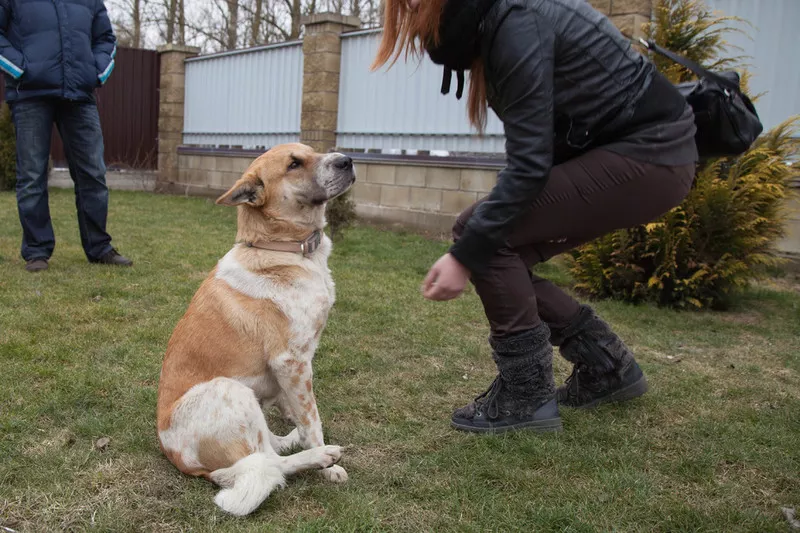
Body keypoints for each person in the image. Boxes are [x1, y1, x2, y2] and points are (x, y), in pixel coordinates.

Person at [372, 0, 698, 433]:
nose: (409, 10)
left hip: (650, 156)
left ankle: (526, 396)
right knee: (490, 240)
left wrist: (464, 256)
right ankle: (605, 366)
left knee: (478, 235)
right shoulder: (493, 24)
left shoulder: (516, 20)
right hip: (650, 158)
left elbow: (529, 165)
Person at [0, 0, 132, 273]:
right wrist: (21, 69)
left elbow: (105, 38)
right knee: (32, 176)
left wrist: (95, 72)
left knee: (93, 174)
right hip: (30, 96)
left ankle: (99, 248)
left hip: (80, 96)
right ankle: (36, 251)